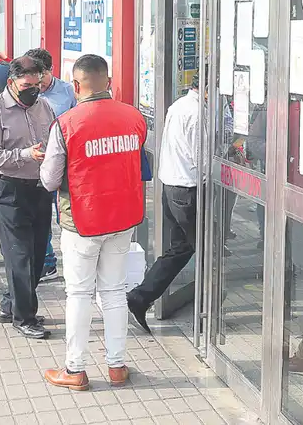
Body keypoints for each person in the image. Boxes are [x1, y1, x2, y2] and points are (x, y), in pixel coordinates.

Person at [40, 55, 146, 390]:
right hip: (124, 217)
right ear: (108, 81)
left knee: (79, 293)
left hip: (82, 221)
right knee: (114, 291)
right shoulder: (134, 117)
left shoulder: (66, 124)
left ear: (76, 85)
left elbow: (49, 179)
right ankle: (117, 366)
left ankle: (75, 369)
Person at [0, 56, 55, 338]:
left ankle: (10, 304)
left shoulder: (43, 106)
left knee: (37, 255)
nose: (33, 90)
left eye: (37, 85)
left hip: (40, 188)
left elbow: (54, 139)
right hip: (8, 189)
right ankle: (24, 318)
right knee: (19, 255)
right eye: (26, 86)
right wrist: (26, 154)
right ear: (11, 83)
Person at [127, 75, 202, 333]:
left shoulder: (178, 105)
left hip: (170, 185)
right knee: (206, 250)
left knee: (180, 248)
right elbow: (200, 158)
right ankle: (209, 315)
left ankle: (141, 296)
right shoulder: (197, 113)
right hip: (188, 189)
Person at [25, 48, 76, 281]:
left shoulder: (67, 92)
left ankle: (73, 260)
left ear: (51, 70)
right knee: (39, 216)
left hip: (65, 164)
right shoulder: (25, 91)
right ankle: (47, 261)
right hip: (34, 163)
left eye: (42, 74)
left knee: (64, 214)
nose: (38, 81)